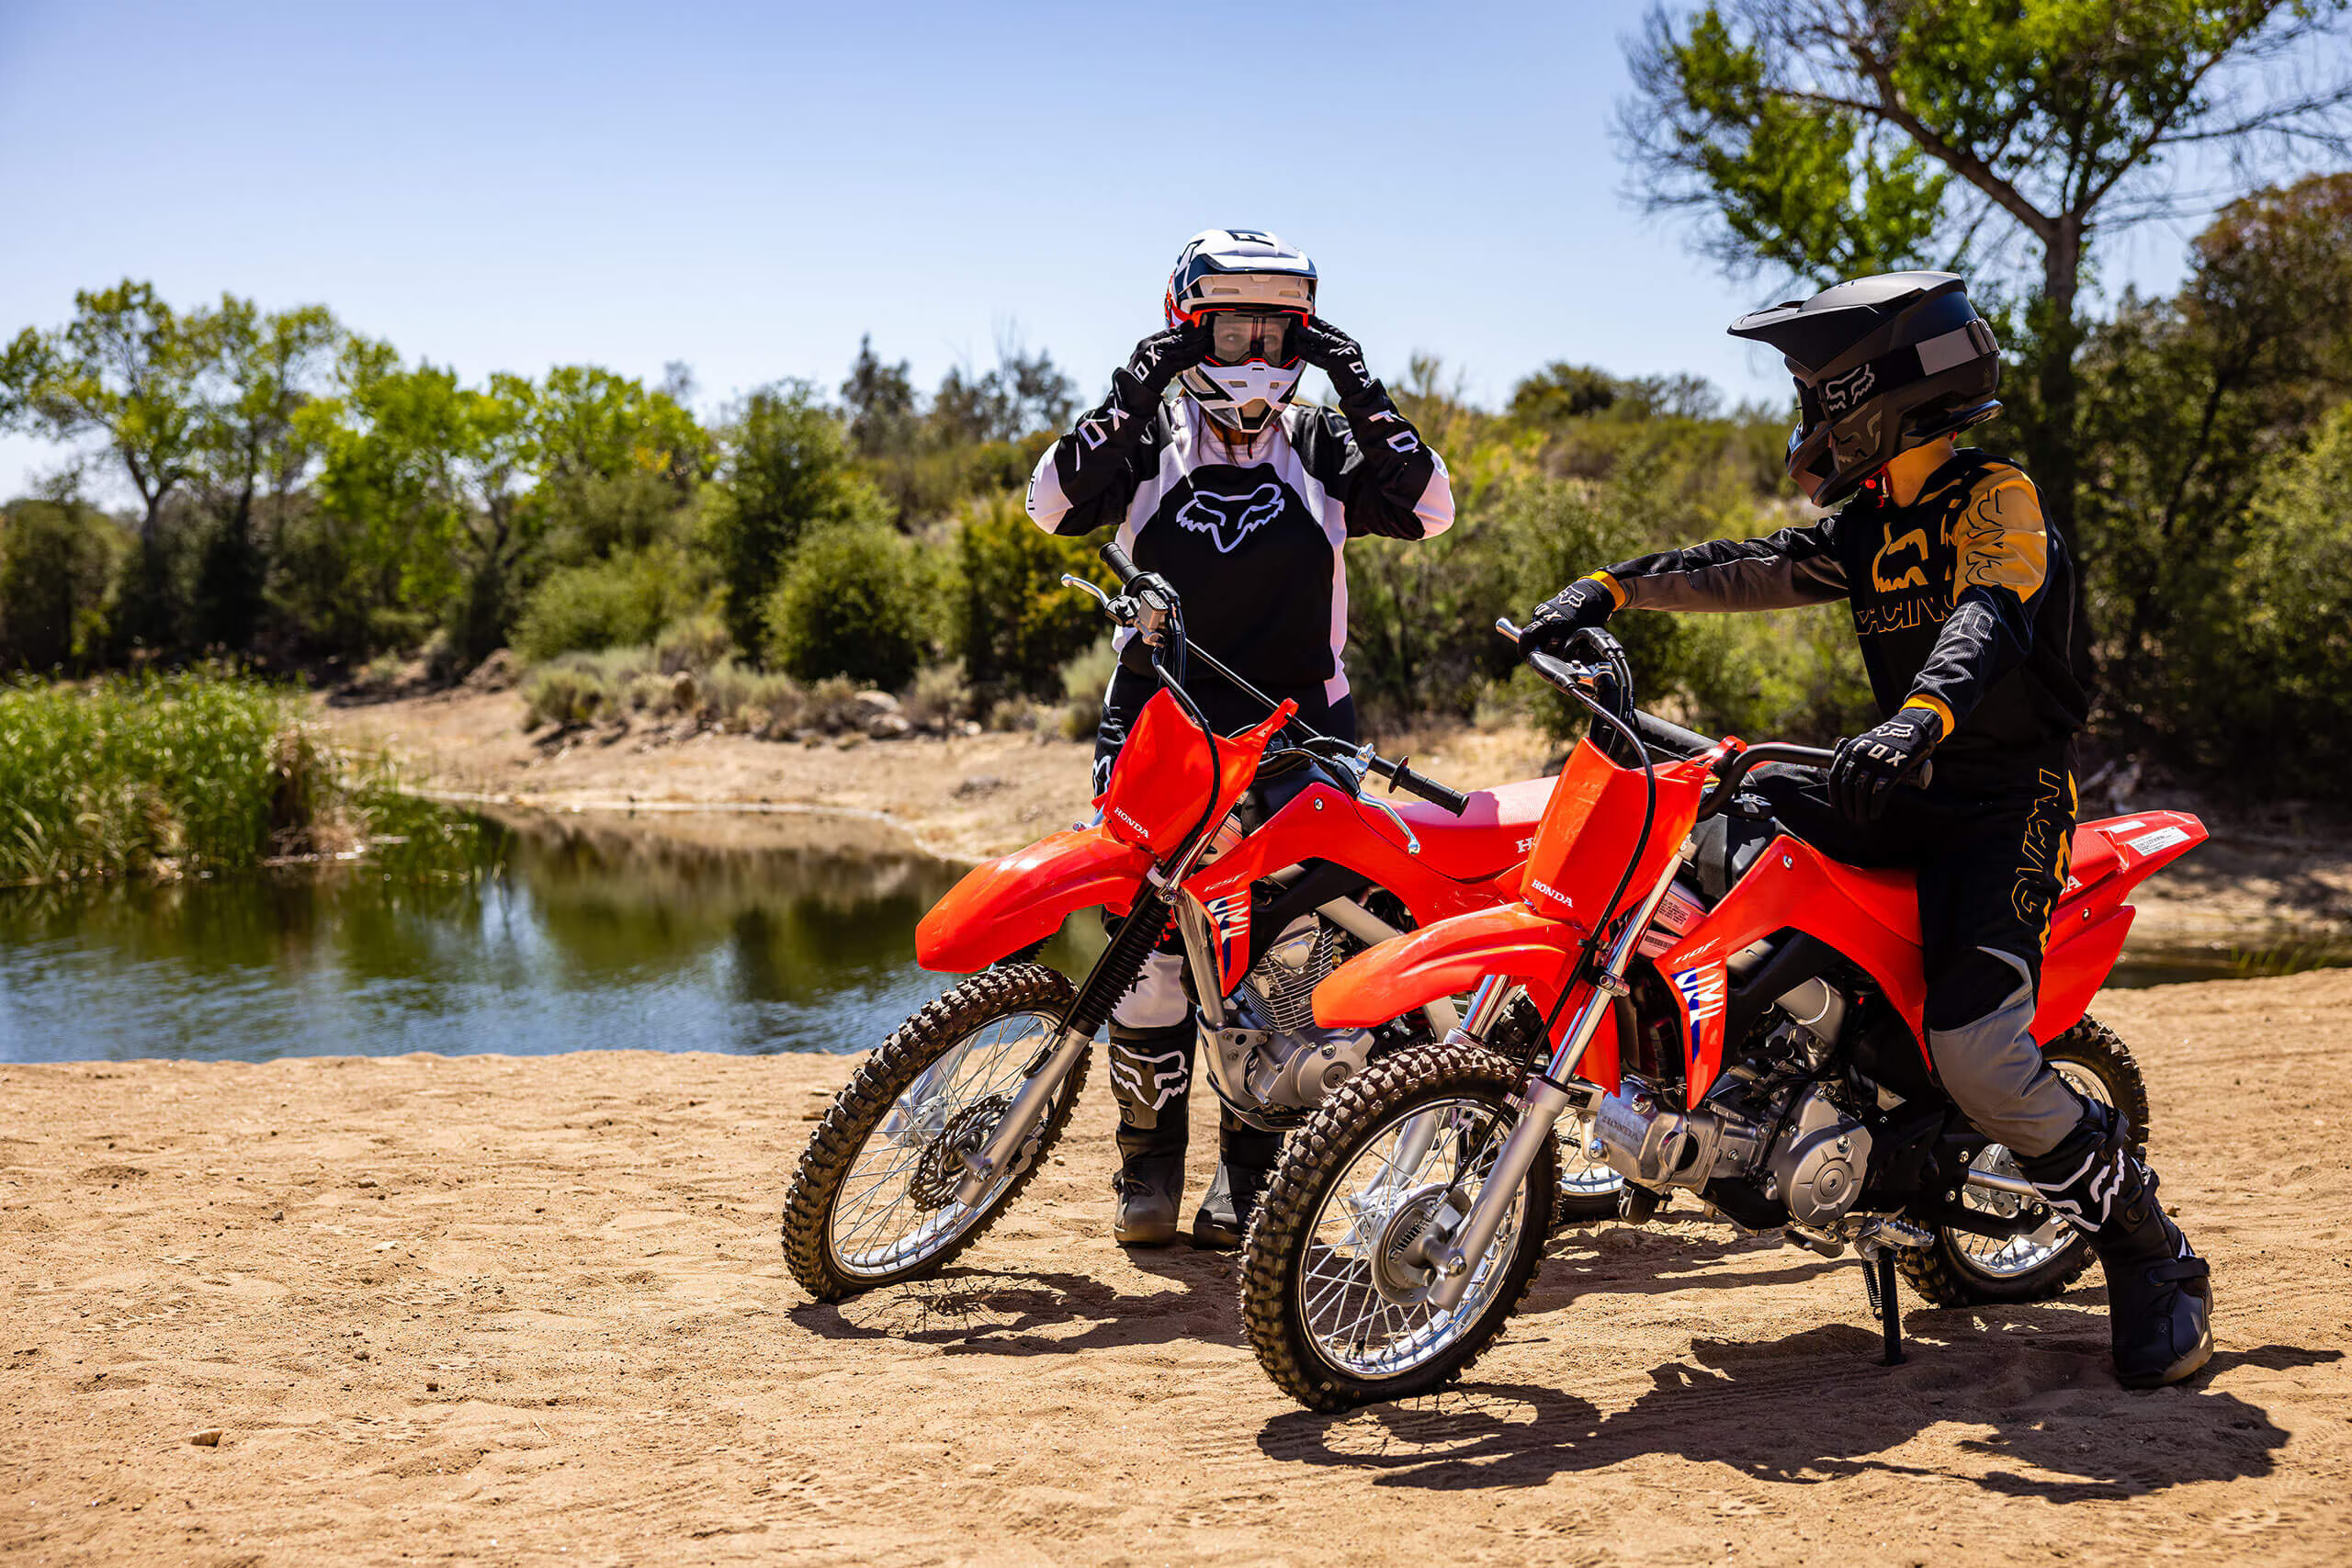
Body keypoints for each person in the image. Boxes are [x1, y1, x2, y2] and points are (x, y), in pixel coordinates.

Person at [1520, 270, 2211, 1389]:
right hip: (1900, 781)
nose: (1809, 419)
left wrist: (1918, 720)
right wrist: (1609, 590)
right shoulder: (1876, 520)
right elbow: (1748, 566)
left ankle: (2154, 1255)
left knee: (1980, 1055)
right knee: (1722, 814)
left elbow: (1987, 618)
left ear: (1880, 393)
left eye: (1818, 394)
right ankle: (1760, 1085)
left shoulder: (1998, 498)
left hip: (2001, 805)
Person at [1025, 228, 1454, 1248]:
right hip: (1161, 715)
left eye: (1277, 325)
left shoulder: (1319, 438)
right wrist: (1129, 393)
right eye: (1231, 326)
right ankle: (1147, 1160)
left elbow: (1430, 508)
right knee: (1151, 944)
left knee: (1289, 949)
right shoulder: (1152, 438)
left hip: (1303, 723)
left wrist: (1363, 390)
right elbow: (1049, 505)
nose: (1256, 351)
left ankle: (1251, 1173)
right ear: (1186, 326)